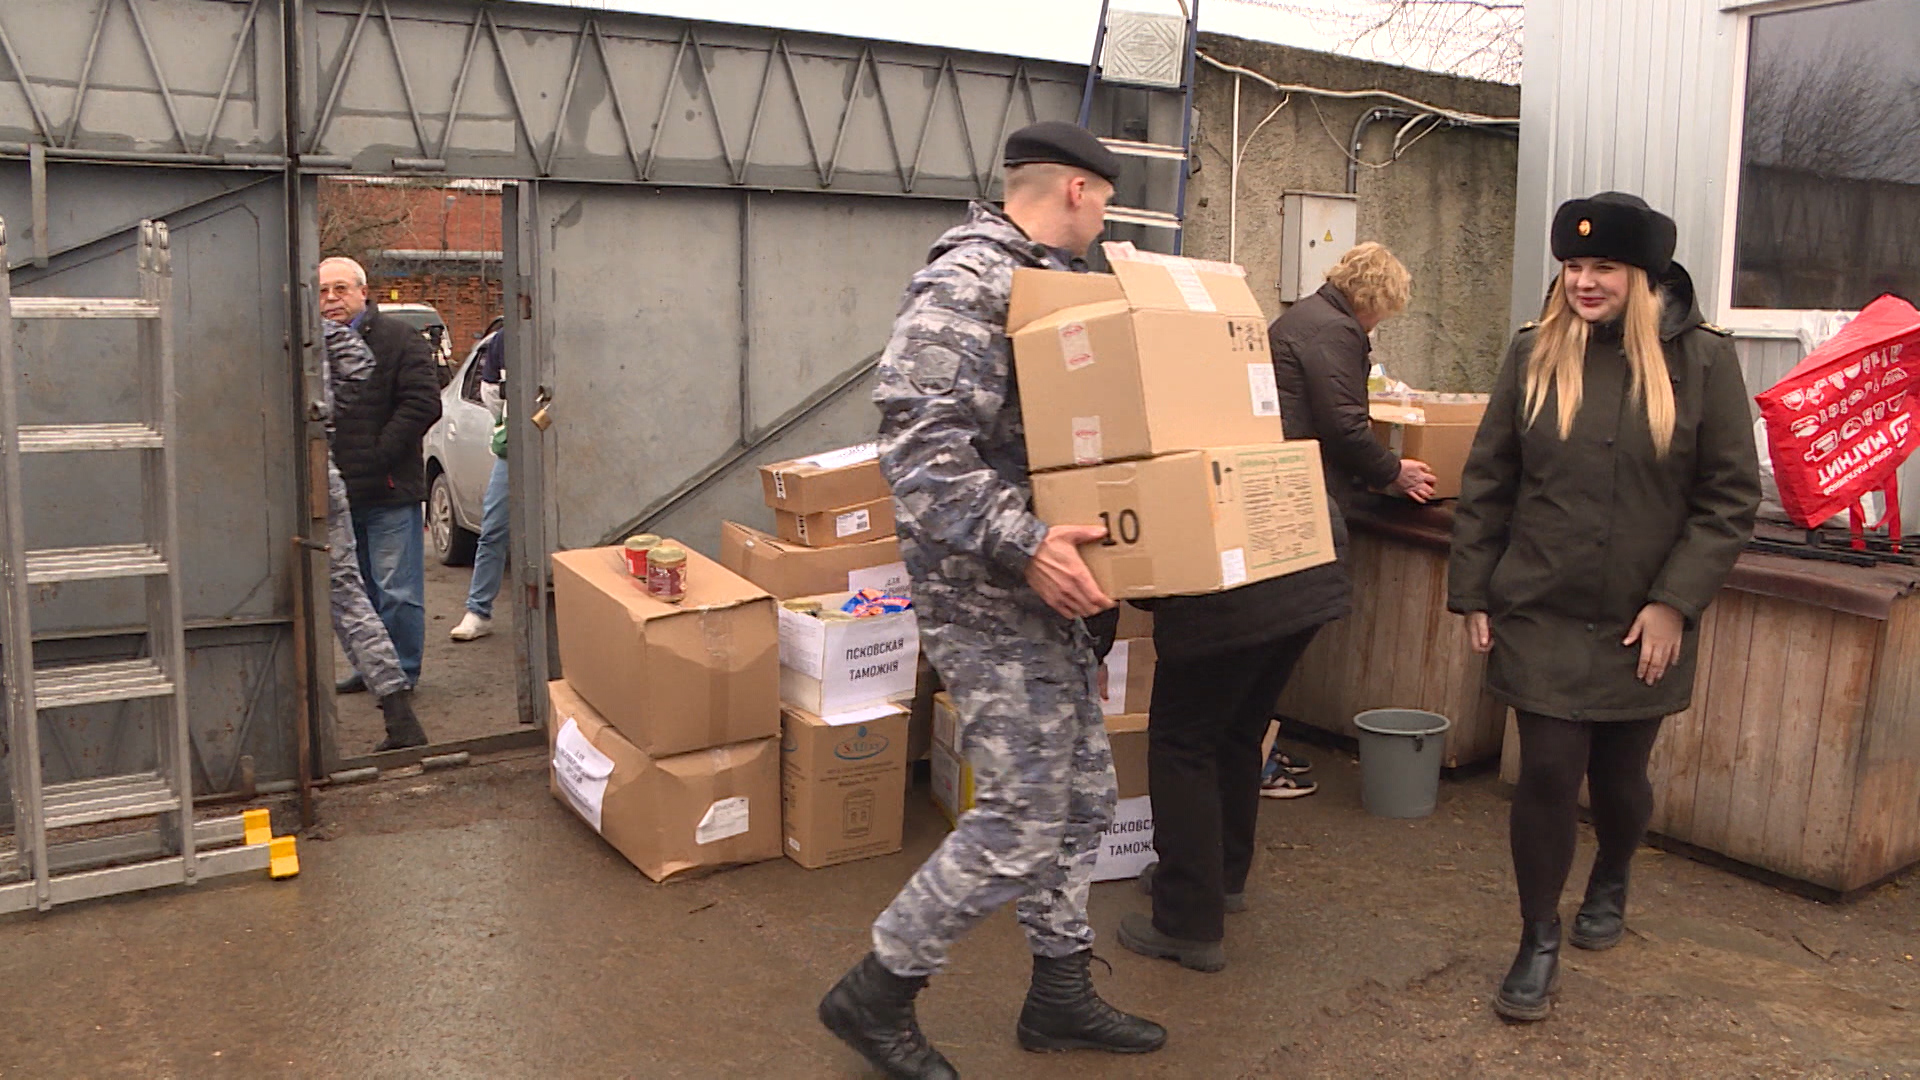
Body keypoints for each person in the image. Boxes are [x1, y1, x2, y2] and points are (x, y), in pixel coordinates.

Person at [817, 121, 1165, 1079]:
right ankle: (878, 989)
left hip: (1041, 586)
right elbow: (917, 450)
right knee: (1019, 815)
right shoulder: (970, 278)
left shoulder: (1047, 282)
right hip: (988, 590)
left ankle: (1058, 994)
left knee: (1085, 798)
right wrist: (1027, 545)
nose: (1105, 221)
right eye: (1106, 204)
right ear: (1079, 192)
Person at [1448, 192, 1759, 1022]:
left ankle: (1614, 869)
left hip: (1639, 620)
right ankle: (1536, 939)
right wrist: (1472, 587)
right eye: (1574, 267)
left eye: (1604, 268)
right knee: (1547, 773)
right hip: (1541, 607)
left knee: (1619, 779)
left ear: (1644, 275)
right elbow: (1489, 480)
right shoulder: (1533, 353)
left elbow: (1729, 499)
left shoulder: (1703, 363)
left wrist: (1674, 604)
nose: (1584, 282)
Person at [1111, 250, 1424, 974]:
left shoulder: (1225, 386)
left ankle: (1189, 921)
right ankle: (1223, 878)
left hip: (1240, 575)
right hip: (1307, 561)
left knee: (1183, 739)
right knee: (1236, 731)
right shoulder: (1301, 348)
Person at [1260, 241, 1434, 797]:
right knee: (1279, 633)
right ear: (1373, 296)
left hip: (1286, 480)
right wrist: (1393, 472)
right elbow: (1343, 425)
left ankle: (1258, 743)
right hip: (1302, 493)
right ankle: (1254, 756)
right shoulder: (1334, 332)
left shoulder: (1306, 318)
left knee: (1273, 634)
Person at [318, 257, 441, 693]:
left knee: (396, 590)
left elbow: (424, 404)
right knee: (358, 591)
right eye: (322, 292)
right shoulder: (314, 349)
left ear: (363, 292)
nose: (331, 299)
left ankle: (403, 673)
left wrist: (378, 453)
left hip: (388, 489)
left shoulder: (398, 339)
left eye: (340, 289)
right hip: (338, 493)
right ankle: (372, 669)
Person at [320, 318, 429, 751]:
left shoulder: (301, 324)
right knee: (350, 594)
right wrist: (327, 421)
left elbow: (367, 369)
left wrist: (325, 423)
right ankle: (396, 709)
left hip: (304, 468)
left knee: (368, 590)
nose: (329, 298)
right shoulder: (323, 330)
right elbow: (357, 364)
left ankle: (400, 700)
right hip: (324, 468)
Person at [451, 323, 507, 643]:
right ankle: (478, 611)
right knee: (494, 527)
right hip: (514, 451)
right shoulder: (502, 340)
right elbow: (491, 395)